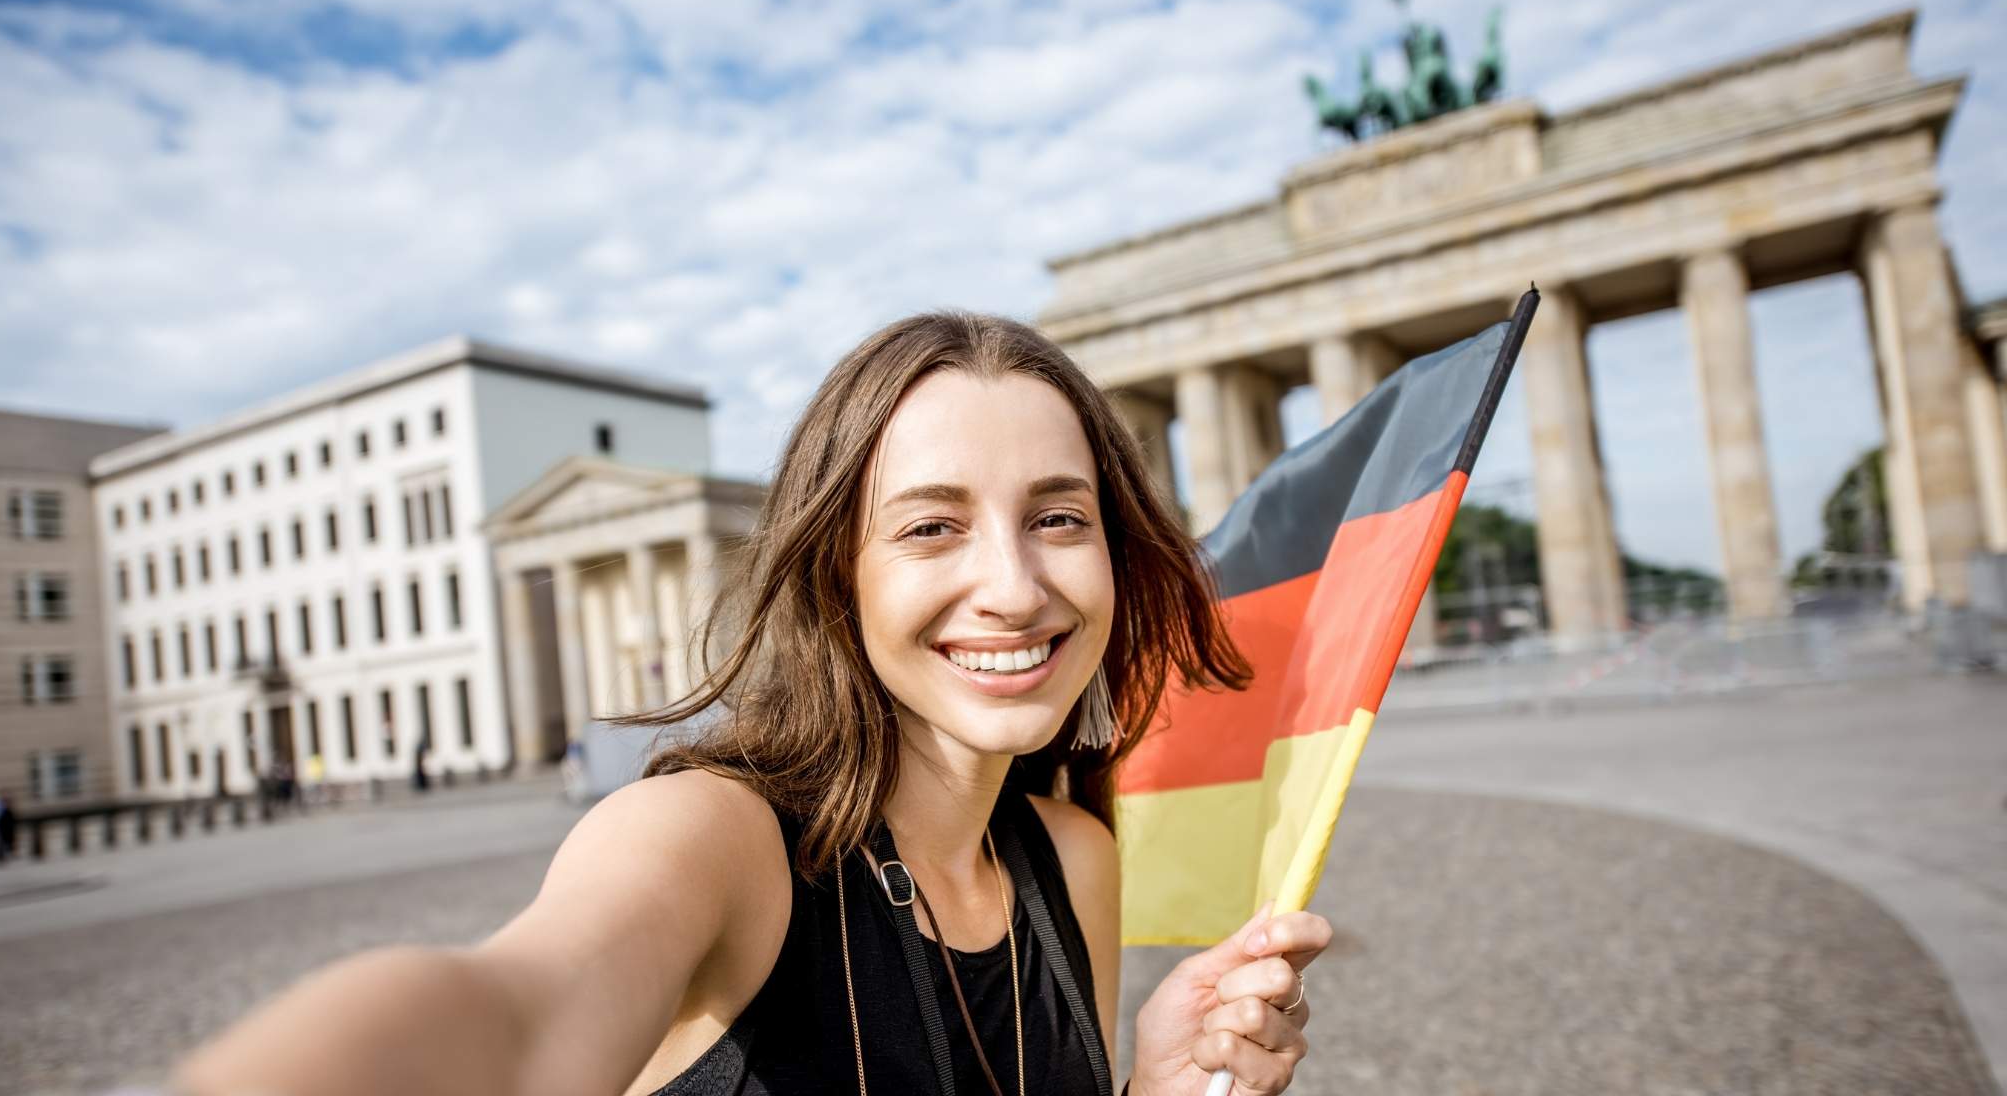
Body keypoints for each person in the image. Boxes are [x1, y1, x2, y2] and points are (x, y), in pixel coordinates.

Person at [176, 312, 1332, 1096]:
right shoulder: (713, 841)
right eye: (930, 526)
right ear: (839, 575)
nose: (1014, 587)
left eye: (1058, 516)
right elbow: (513, 1018)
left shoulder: (1072, 857)